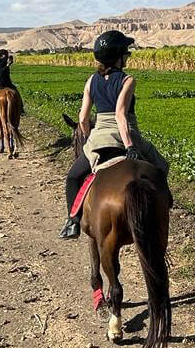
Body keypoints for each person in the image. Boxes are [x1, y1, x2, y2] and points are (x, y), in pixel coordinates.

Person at [59, 31, 171, 239]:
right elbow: (121, 114)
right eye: (125, 53)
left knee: (73, 177)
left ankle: (72, 221)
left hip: (98, 136)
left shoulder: (91, 80)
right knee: (162, 165)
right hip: (126, 133)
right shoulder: (128, 80)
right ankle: (165, 206)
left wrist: (89, 140)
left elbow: (83, 118)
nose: (127, 56)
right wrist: (130, 146)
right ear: (119, 55)